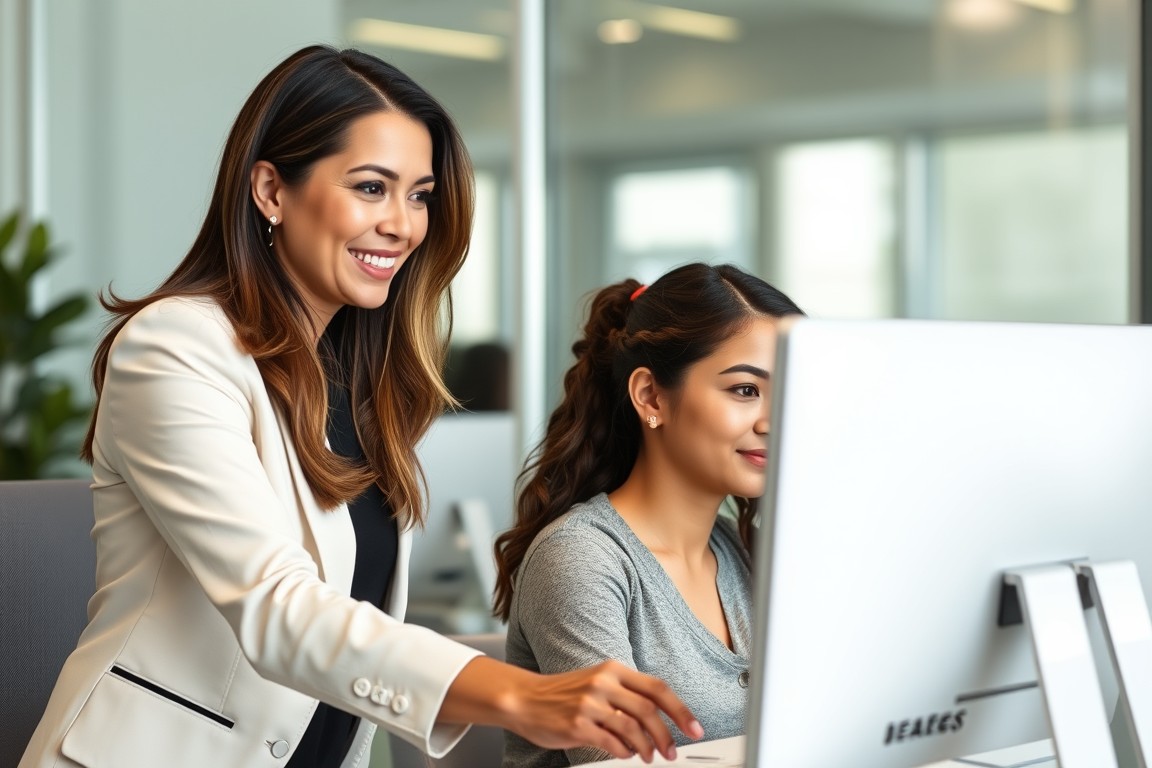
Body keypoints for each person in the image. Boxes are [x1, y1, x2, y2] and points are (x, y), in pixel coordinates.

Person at [18, 45, 703, 768]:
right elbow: (278, 607)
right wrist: (521, 693)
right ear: (271, 191)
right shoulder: (175, 347)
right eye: (371, 188)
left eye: (419, 195)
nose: (404, 225)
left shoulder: (355, 379)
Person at [493, 263, 805, 767]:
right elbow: (613, 761)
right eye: (745, 390)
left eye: (790, 392)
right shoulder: (581, 560)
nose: (775, 420)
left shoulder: (742, 550)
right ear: (651, 395)